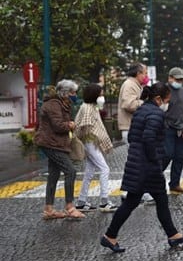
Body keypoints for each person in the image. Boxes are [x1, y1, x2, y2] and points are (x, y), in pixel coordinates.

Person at [100, 82, 183, 253]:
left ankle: (172, 235)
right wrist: (155, 161)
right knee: (142, 201)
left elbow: (137, 137)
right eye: (166, 100)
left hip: (138, 163)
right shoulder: (156, 114)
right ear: (158, 99)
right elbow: (149, 138)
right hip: (147, 166)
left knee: (146, 200)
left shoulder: (142, 110)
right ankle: (110, 236)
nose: (167, 104)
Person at [34, 79, 86, 220]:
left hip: (55, 143)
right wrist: (70, 125)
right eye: (73, 92)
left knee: (54, 174)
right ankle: (70, 207)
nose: (75, 95)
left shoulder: (61, 103)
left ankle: (49, 209)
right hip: (51, 143)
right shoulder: (53, 105)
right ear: (65, 93)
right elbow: (57, 126)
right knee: (70, 171)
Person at [73, 83, 118, 212]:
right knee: (105, 169)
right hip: (90, 142)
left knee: (89, 172)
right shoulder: (87, 108)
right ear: (94, 95)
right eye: (101, 94)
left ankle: (81, 201)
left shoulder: (91, 107)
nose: (102, 97)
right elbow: (84, 127)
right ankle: (104, 201)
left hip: (90, 143)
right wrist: (90, 141)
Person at [117, 63, 154, 204]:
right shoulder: (129, 85)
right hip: (131, 127)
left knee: (137, 161)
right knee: (138, 161)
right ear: (138, 73)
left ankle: (132, 193)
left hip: (134, 127)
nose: (146, 76)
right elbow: (128, 104)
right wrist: (145, 104)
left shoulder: (135, 85)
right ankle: (139, 193)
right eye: (144, 73)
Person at [162, 67, 183, 193]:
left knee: (179, 157)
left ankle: (175, 183)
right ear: (170, 78)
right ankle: (152, 177)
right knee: (167, 155)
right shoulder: (163, 90)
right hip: (167, 129)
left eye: (181, 80)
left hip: (182, 130)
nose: (179, 82)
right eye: (177, 79)